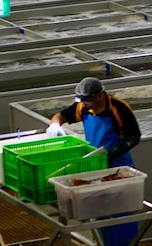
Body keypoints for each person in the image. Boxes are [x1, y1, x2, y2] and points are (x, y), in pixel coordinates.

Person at [48, 77, 141, 246]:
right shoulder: (83, 108)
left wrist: (111, 153)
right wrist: (55, 125)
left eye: (88, 100)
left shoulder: (118, 108)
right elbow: (59, 116)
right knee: (102, 212)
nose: (85, 104)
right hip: (96, 165)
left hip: (118, 167)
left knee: (121, 214)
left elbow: (134, 137)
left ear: (98, 96)